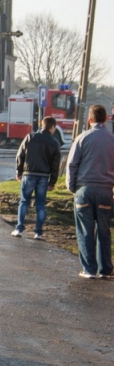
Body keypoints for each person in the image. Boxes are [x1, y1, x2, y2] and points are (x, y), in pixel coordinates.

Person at [66, 104, 114, 279]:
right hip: (105, 190)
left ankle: (89, 269)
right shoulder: (112, 139)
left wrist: (72, 187)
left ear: (90, 119)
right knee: (104, 230)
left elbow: (72, 165)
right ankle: (105, 270)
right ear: (106, 118)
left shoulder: (82, 138)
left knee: (85, 230)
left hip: (84, 189)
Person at [12, 116, 61, 240]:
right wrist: (52, 182)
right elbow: (55, 165)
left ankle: (19, 229)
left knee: (24, 202)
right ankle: (38, 232)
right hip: (43, 176)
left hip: (28, 174)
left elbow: (20, 155)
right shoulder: (54, 142)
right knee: (40, 205)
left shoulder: (30, 137)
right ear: (52, 127)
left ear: (42, 125)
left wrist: (19, 171)